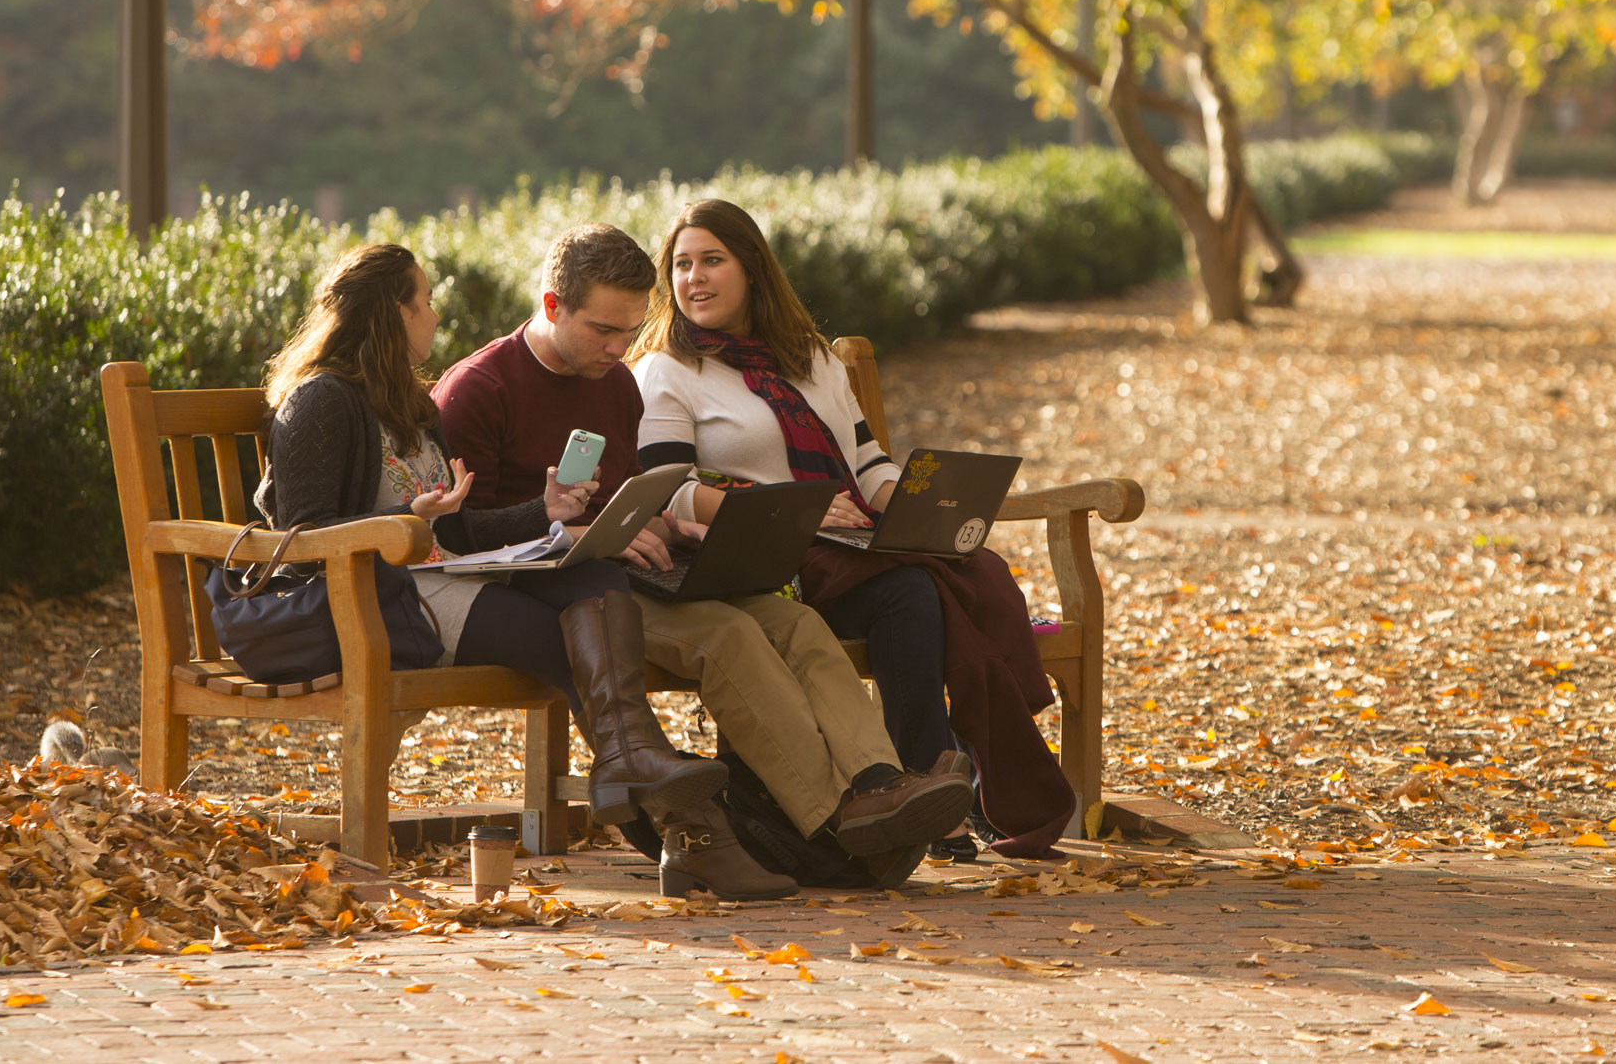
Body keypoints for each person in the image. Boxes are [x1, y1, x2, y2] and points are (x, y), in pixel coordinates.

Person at [433, 224, 973, 893]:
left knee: (794, 623)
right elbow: (449, 541)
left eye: (630, 331)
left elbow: (635, 494)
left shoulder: (613, 385)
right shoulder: (478, 390)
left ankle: (878, 783)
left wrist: (678, 525)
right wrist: (563, 534)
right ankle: (833, 821)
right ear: (551, 306)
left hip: (642, 572)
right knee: (728, 636)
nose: (619, 349)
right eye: (604, 330)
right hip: (564, 598)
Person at [253, 243, 731, 864]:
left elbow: (457, 531)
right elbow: (301, 535)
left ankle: (645, 788)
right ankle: (670, 815)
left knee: (592, 587)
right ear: (391, 315)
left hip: (431, 579)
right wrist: (403, 520)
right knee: (573, 634)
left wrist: (547, 510)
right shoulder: (319, 399)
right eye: (424, 303)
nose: (435, 317)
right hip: (362, 595)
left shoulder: (409, 402)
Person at [627, 199, 1075, 860]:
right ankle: (935, 785)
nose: (694, 278)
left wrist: (909, 508)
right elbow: (670, 490)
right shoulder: (667, 370)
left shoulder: (808, 357)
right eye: (682, 265)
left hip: (852, 539)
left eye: (712, 261)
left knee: (976, 573)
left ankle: (942, 783)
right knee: (912, 593)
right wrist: (793, 506)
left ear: (751, 267)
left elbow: (867, 462)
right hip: (767, 553)